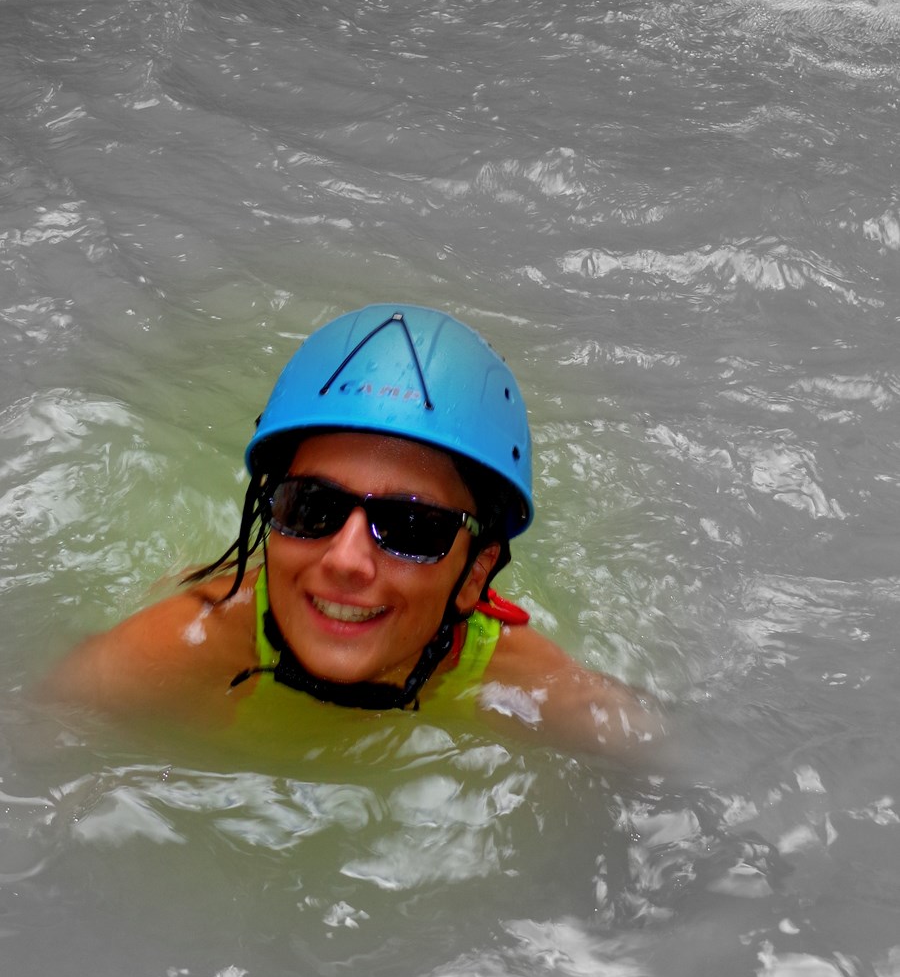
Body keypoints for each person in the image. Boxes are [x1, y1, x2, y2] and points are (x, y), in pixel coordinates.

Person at [39, 304, 661, 758]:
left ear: (475, 573)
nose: (345, 559)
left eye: (411, 527)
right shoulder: (187, 644)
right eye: (311, 507)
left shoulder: (533, 687)